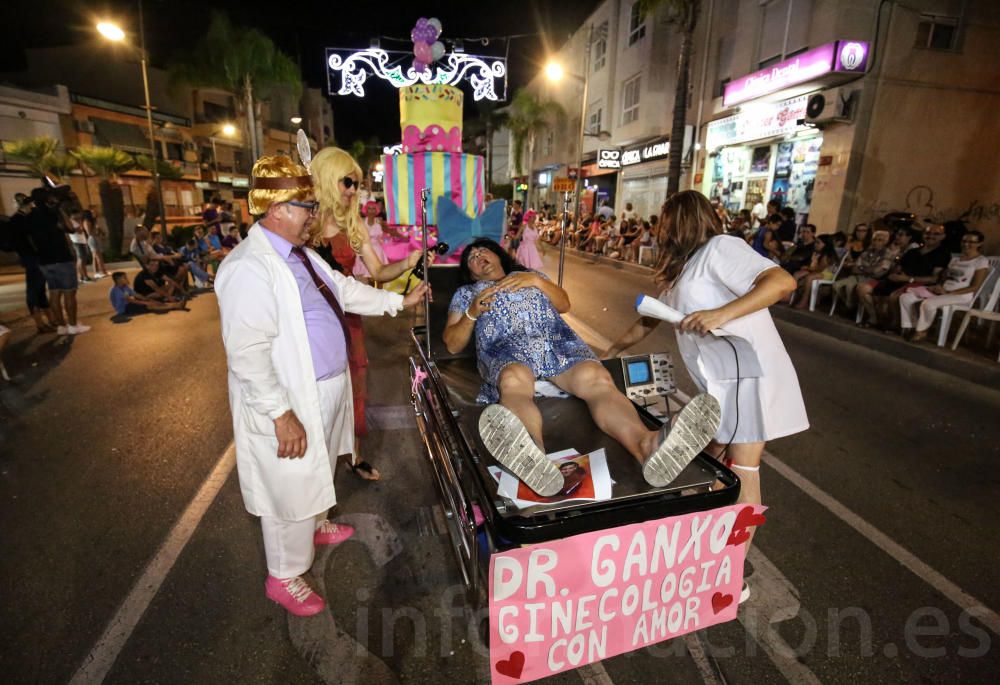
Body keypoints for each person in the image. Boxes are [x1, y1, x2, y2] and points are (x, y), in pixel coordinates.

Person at [216, 155, 427, 616]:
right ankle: (284, 575)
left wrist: (397, 302)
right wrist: (279, 413)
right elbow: (247, 354)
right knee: (288, 486)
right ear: (276, 210)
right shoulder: (249, 267)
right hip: (292, 398)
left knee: (319, 463)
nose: (314, 213)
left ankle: (315, 521)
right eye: (305, 205)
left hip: (326, 388)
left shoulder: (302, 255)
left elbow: (346, 291)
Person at [606, 191, 807, 599]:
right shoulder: (685, 270)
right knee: (708, 465)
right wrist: (605, 356)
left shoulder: (721, 247)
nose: (659, 229)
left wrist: (721, 314)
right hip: (721, 383)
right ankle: (693, 550)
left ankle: (728, 578)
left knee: (742, 470)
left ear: (681, 220)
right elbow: (646, 322)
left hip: (748, 375)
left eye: (664, 220)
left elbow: (781, 282)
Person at [443, 237, 721, 497]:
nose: (478, 256)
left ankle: (646, 446)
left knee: (596, 377)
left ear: (498, 254)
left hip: (555, 341)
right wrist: (472, 313)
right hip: (507, 346)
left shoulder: (532, 276)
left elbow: (564, 304)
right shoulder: (466, 294)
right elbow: (452, 344)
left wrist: (536, 283)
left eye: (482, 250)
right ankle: (532, 456)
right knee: (514, 380)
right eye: (471, 257)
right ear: (470, 272)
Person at [310, 146, 427, 482]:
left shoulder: (353, 224)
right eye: (347, 181)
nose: (351, 190)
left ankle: (354, 455)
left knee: (355, 385)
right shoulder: (303, 218)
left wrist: (407, 262)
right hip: (312, 321)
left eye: (355, 184)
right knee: (318, 391)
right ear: (328, 177)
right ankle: (318, 469)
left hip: (348, 318)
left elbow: (378, 271)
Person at [899, 230, 990, 342]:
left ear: (979, 244)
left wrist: (948, 293)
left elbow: (975, 287)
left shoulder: (981, 261)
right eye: (964, 241)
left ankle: (921, 331)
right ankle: (910, 326)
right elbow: (946, 277)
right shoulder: (956, 259)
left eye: (971, 242)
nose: (966, 244)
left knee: (928, 303)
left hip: (960, 295)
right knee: (905, 297)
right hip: (943, 291)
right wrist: (938, 286)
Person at [27, 187, 90, 335]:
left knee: (54, 293)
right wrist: (60, 209)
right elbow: (70, 228)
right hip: (61, 258)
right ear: (48, 199)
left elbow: (30, 238)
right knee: (69, 293)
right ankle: (73, 325)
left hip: (44, 261)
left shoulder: (30, 216)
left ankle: (61, 326)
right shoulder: (53, 213)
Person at [3, 194, 56, 333]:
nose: (31, 206)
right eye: (29, 203)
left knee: (39, 290)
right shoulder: (18, 220)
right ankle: (41, 324)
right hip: (32, 258)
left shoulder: (23, 219)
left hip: (34, 258)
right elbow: (19, 242)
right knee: (34, 291)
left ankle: (49, 321)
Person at [832, 228, 894, 312]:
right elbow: (854, 268)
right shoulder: (867, 252)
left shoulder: (887, 253)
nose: (876, 242)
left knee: (850, 287)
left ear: (885, 242)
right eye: (874, 239)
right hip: (858, 276)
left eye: (880, 240)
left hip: (874, 280)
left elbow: (877, 272)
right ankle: (850, 305)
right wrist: (866, 269)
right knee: (836, 285)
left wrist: (862, 268)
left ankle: (851, 308)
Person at [108, 271, 185, 316]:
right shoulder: (116, 290)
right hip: (124, 309)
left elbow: (136, 295)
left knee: (152, 302)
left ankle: (175, 305)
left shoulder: (125, 287)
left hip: (129, 305)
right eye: (124, 277)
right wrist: (147, 302)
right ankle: (176, 306)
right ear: (118, 280)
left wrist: (148, 299)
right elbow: (131, 301)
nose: (126, 279)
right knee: (150, 306)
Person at [68, 209, 93, 283]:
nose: (80, 215)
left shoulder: (76, 221)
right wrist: (80, 224)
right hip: (77, 241)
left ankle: (83, 276)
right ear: (73, 214)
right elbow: (79, 231)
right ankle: (84, 276)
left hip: (81, 241)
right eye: (78, 214)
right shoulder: (71, 222)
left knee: (82, 259)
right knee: (81, 259)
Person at [84, 207, 108, 278]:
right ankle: (102, 271)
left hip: (95, 238)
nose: (94, 213)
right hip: (92, 239)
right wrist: (97, 233)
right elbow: (89, 232)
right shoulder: (87, 221)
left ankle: (97, 272)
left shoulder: (93, 221)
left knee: (95, 256)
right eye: (92, 213)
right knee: (98, 256)